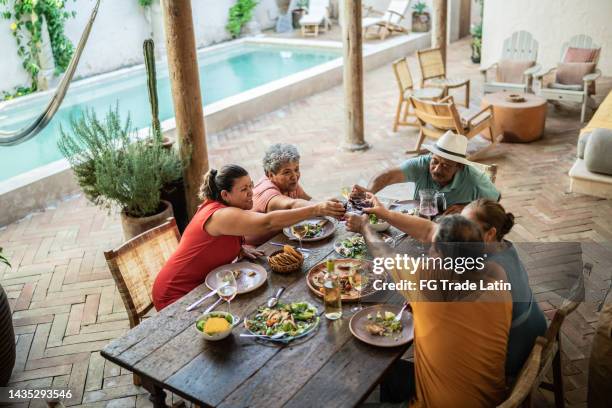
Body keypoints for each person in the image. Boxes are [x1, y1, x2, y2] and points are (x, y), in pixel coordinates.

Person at [361, 195, 547, 377]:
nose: (461, 229)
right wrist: (385, 214)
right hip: (534, 330)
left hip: (514, 353)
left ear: (490, 233)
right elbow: (431, 231)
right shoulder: (499, 246)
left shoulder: (489, 269)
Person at [346, 212, 512, 407]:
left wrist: (364, 226)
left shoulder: (426, 282)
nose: (428, 252)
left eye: (433, 248)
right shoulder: (498, 277)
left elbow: (383, 253)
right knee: (388, 371)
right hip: (488, 398)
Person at [152, 165, 342, 311]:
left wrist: (238, 248)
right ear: (225, 195)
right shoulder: (220, 215)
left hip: (206, 287)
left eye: (251, 185)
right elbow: (267, 222)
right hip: (177, 294)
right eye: (244, 189)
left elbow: (212, 243)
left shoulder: (224, 210)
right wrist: (316, 209)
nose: (252, 192)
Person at [352, 131, 500, 212]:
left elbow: (495, 203)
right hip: (421, 220)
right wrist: (369, 193)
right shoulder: (422, 163)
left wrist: (466, 208)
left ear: (459, 167)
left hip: (454, 230)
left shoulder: (474, 179)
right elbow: (387, 176)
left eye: (446, 166)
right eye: (435, 161)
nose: (436, 169)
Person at [246, 143, 345, 245]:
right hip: (258, 248)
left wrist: (325, 205)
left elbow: (308, 201)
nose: (294, 176)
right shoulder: (267, 192)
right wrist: (319, 207)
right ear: (270, 175)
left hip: (281, 240)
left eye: (296, 169)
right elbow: (291, 205)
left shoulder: (288, 184)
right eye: (287, 172)